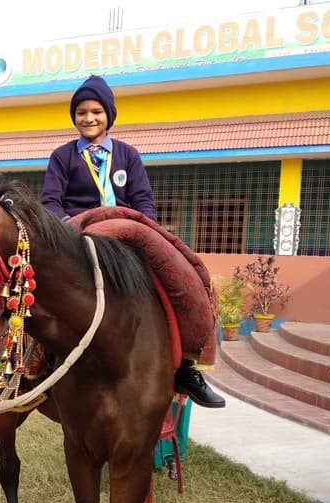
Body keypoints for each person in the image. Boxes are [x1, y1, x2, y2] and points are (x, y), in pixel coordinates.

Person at [40, 74, 225, 408]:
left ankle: (185, 367)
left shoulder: (128, 155)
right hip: (78, 238)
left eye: (96, 111)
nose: (88, 118)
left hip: (125, 237)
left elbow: (144, 203)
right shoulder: (62, 156)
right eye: (81, 112)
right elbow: (50, 203)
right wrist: (72, 228)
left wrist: (139, 228)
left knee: (173, 279)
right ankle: (29, 367)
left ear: (109, 114)